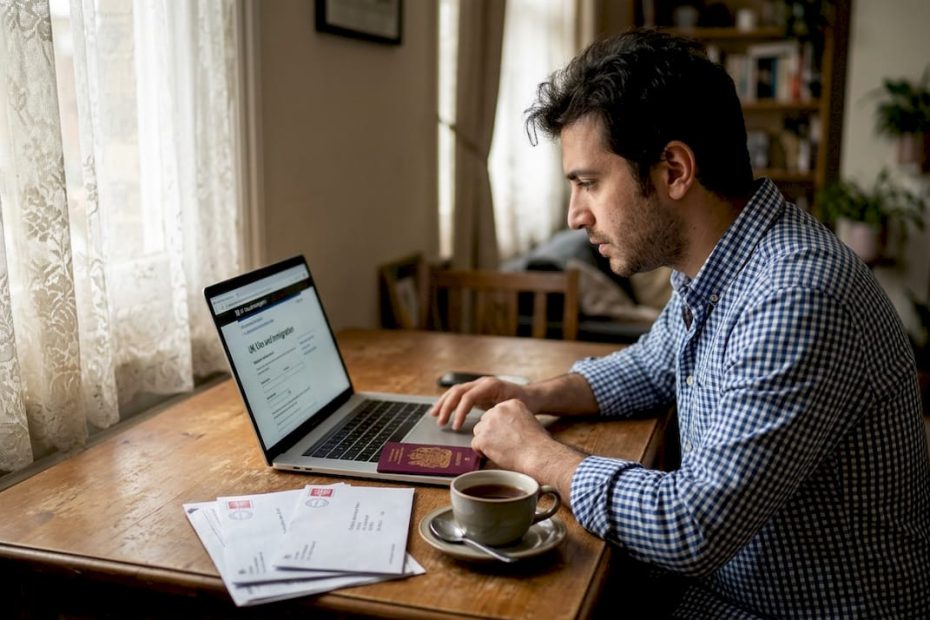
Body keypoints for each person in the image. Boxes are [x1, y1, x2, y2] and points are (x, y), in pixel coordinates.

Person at [430, 30, 930, 618]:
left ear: (673, 170)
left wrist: (540, 455)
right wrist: (531, 394)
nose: (575, 215)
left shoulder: (795, 295)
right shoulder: (718, 262)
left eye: (589, 183)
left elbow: (692, 526)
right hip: (728, 588)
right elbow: (651, 363)